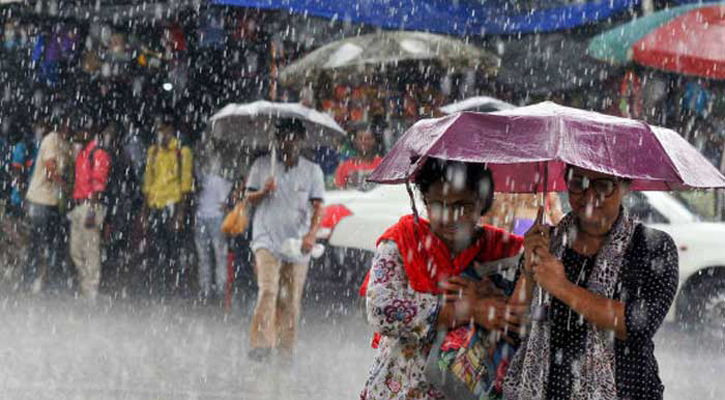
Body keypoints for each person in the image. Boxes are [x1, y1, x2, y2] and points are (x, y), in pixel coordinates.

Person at [503, 166, 679, 400]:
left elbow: (638, 327)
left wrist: (562, 287)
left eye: (604, 185)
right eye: (578, 183)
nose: (589, 196)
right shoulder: (546, 243)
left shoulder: (653, 247)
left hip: (627, 391)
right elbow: (513, 328)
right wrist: (528, 270)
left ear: (626, 186)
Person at [359, 157, 525, 400]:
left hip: (467, 391)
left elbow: (521, 317)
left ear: (481, 202)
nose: (450, 217)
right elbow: (381, 310)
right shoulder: (402, 241)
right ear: (425, 201)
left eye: (463, 206)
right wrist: (466, 310)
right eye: (439, 205)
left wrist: (497, 298)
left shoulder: (502, 250)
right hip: (402, 388)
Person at [245, 118, 325, 362]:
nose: (288, 143)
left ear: (301, 140)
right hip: (265, 237)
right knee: (268, 290)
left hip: (298, 242)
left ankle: (284, 347)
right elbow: (249, 199)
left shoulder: (313, 171)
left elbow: (318, 206)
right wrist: (263, 191)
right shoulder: (262, 165)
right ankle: (260, 345)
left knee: (290, 298)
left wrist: (311, 235)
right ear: (277, 140)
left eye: (294, 137)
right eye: (284, 137)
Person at [141, 115, 194, 297]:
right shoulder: (153, 152)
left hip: (173, 207)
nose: (161, 134)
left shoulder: (182, 152)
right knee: (156, 248)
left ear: (171, 131)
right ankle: (157, 285)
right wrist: (145, 213)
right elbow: (147, 183)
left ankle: (172, 286)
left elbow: (186, 185)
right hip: (156, 206)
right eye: (158, 130)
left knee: (173, 249)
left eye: (164, 130)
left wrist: (180, 215)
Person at [24, 109, 71, 293]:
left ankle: (48, 281)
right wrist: (65, 185)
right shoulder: (51, 140)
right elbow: (51, 169)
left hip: (52, 201)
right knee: (38, 242)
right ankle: (30, 280)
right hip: (39, 199)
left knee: (53, 242)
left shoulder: (63, 143)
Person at [67, 111, 111, 301]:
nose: (78, 134)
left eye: (82, 131)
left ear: (90, 132)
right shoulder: (83, 153)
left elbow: (98, 185)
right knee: (75, 250)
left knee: (90, 250)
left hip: (90, 206)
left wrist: (92, 211)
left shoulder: (98, 153)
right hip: (78, 207)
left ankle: (91, 291)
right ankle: (86, 285)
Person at [194, 149, 233, 300]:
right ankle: (220, 290)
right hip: (216, 219)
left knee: (203, 256)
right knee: (220, 256)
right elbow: (224, 205)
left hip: (201, 218)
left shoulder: (200, 179)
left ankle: (205, 290)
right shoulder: (221, 181)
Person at [482, 192, 565, 236]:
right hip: (511, 236)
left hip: (539, 235)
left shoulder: (548, 193)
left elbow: (558, 218)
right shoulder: (503, 193)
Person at [334, 124, 382, 189]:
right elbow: (339, 192)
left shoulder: (383, 164)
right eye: (360, 138)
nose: (364, 141)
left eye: (368, 138)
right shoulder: (344, 167)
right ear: (355, 141)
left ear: (374, 141)